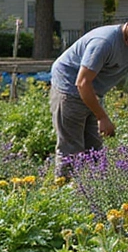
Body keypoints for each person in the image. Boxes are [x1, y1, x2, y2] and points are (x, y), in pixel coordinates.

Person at [50, 21, 128, 176]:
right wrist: (102, 117)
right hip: (70, 88)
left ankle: (89, 195)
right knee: (71, 150)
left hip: (93, 93)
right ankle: (65, 192)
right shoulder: (104, 42)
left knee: (94, 151)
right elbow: (82, 83)